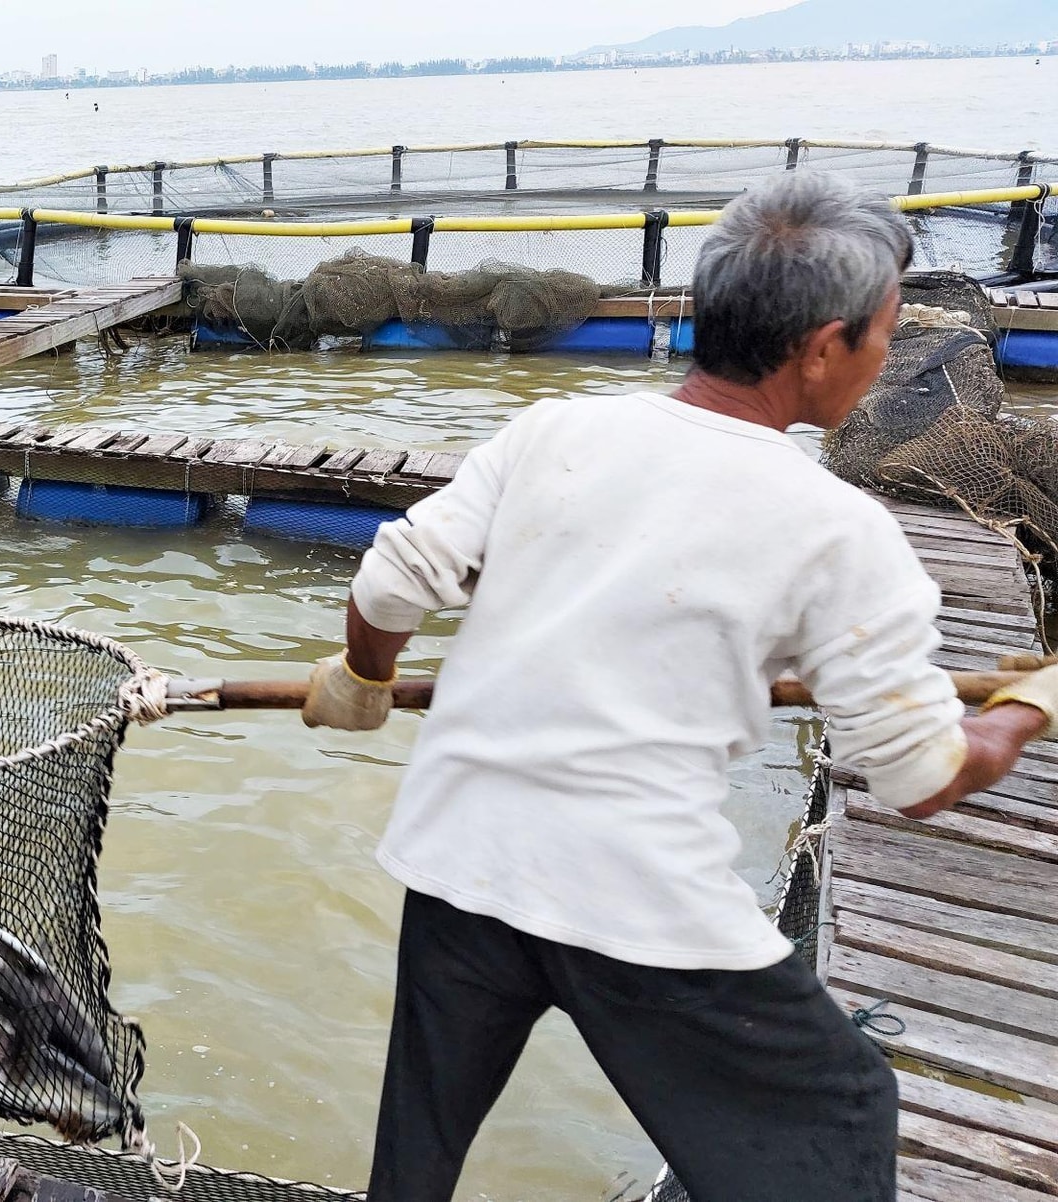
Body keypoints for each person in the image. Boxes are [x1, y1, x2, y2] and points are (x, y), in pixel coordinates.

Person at [301, 170, 1058, 1202]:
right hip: (634, 893)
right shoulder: (839, 528)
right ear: (822, 346)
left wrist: (361, 676)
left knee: (419, 1154)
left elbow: (392, 581)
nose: (884, 360)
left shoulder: (552, 433)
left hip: (459, 856)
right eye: (882, 334)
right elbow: (922, 772)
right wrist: (1029, 705)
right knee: (844, 1106)